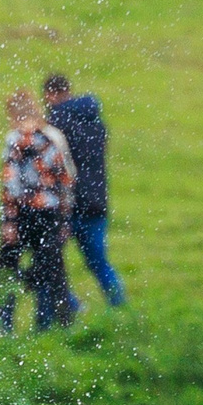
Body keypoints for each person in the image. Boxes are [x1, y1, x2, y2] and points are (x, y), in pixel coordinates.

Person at [0, 90, 75, 334]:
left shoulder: (14, 138)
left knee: (7, 268)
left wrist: (8, 221)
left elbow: (10, 185)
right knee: (53, 271)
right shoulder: (54, 136)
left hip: (23, 213)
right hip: (50, 213)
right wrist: (65, 218)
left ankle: (2, 325)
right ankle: (56, 325)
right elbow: (66, 179)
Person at [43, 74, 125, 314]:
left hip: (67, 205)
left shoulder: (55, 122)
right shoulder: (96, 121)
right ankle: (121, 310)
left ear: (50, 94)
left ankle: (69, 310)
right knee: (99, 262)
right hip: (96, 202)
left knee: (50, 263)